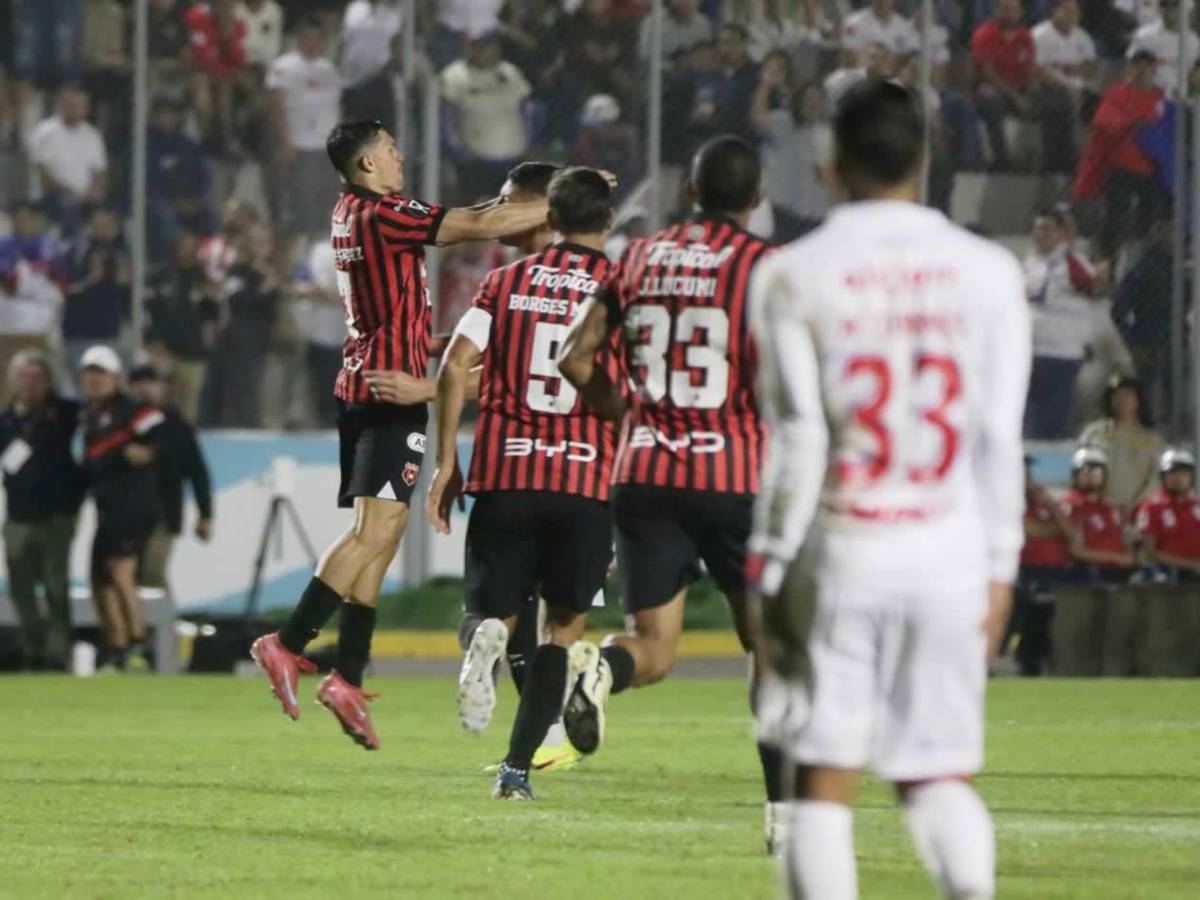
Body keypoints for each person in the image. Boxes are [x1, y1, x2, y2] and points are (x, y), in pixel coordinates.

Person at [744, 81, 1030, 898]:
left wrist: (765, 564)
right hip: (947, 552)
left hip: (842, 548)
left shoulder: (793, 273)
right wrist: (1002, 570)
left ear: (829, 165)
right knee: (938, 778)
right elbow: (994, 440)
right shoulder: (988, 271)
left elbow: (799, 440)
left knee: (824, 784)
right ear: (926, 158)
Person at [249, 119, 555, 751]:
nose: (399, 155)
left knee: (379, 542)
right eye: (388, 149)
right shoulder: (386, 213)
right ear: (365, 166)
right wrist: (566, 204)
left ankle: (348, 676)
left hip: (366, 380)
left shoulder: (348, 210)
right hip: (390, 393)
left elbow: (469, 218)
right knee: (374, 535)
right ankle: (286, 643)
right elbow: (471, 226)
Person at [558, 137, 781, 848]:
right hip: (733, 476)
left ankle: (599, 670)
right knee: (770, 650)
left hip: (644, 470)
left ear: (688, 187)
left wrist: (623, 415)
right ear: (756, 199)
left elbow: (576, 357)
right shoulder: (765, 269)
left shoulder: (638, 256)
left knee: (653, 649)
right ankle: (784, 815)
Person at [427, 167, 616, 800]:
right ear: (608, 223)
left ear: (548, 220)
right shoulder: (622, 288)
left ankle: (488, 633)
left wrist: (448, 461)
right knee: (563, 633)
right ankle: (516, 772)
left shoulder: (503, 282)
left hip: (506, 473)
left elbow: (456, 365)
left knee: (489, 610)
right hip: (585, 481)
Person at [79, 345, 165, 672]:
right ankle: (117, 645)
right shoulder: (90, 414)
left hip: (132, 504)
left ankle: (138, 643)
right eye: (90, 373)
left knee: (120, 571)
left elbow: (163, 435)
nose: (94, 379)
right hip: (108, 507)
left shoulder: (132, 410)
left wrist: (149, 452)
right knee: (100, 579)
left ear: (115, 377)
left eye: (100, 373)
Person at [0, 351, 84, 670]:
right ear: (14, 380)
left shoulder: (66, 414)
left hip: (56, 516)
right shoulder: (6, 421)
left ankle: (58, 654)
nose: (30, 384)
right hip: (17, 517)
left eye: (37, 377)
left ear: (48, 382)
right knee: (21, 590)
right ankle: (32, 649)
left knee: (56, 587)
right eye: (24, 377)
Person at [128, 365, 213, 591]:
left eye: (150, 381)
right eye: (137, 382)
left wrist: (205, 514)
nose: (144, 388)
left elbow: (197, 471)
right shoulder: (121, 421)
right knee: (125, 578)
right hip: (124, 515)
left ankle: (159, 624)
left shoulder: (176, 425)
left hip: (163, 512)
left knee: (152, 575)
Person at [1022, 207, 1105, 439]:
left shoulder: (1071, 262)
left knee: (1053, 417)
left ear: (1061, 234)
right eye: (1037, 229)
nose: (1040, 234)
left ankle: (1048, 469)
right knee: (1028, 414)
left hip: (1061, 352)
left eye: (1047, 229)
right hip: (1030, 350)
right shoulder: (1030, 262)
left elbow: (1092, 286)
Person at [266, 16, 343, 238]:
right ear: (299, 39)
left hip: (326, 146)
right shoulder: (284, 66)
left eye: (318, 39)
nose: (314, 43)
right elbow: (275, 105)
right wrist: (285, 141)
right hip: (299, 144)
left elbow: (334, 108)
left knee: (327, 200)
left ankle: (323, 246)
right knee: (301, 202)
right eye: (309, 38)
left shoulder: (328, 69)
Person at [144, 233, 221, 424]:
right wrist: (153, 344)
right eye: (182, 246)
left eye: (190, 246)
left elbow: (213, 316)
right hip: (164, 350)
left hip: (194, 351)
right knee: (159, 403)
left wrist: (210, 297)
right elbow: (149, 313)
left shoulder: (202, 278)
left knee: (189, 407)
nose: (185, 251)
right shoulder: (159, 275)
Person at [1015, 454, 1073, 676]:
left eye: (1028, 472)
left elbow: (1072, 534)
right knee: (1035, 608)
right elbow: (1034, 530)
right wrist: (1056, 530)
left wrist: (1051, 505)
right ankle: (1028, 663)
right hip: (1025, 571)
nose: (1027, 478)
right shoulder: (1007, 503)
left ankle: (1040, 662)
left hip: (1056, 572)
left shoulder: (1044, 505)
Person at [28, 86, 108, 236]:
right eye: (73, 106)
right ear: (63, 105)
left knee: (108, 211)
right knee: (69, 205)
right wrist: (72, 192)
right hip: (54, 194)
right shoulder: (45, 132)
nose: (78, 110)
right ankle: (69, 248)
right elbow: (44, 174)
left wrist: (94, 192)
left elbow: (99, 171)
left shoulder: (92, 134)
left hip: (86, 195)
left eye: (82, 106)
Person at [1078, 373, 1163, 511]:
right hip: (1096, 511)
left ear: (1138, 400)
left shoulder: (1151, 440)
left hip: (1138, 513)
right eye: (1117, 395)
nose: (1122, 400)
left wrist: (1135, 506)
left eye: (1128, 395)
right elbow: (1080, 472)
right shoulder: (1092, 434)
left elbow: (1156, 479)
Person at [1060, 446, 1136, 579]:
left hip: (1120, 570)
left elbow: (1124, 538)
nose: (1090, 476)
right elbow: (1076, 550)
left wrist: (1129, 555)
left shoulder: (1112, 507)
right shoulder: (1070, 505)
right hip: (1088, 572)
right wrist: (1114, 558)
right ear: (1076, 476)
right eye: (1084, 472)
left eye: (1096, 472)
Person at [1135, 448, 1200, 578]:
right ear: (1163, 477)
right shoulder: (1151, 507)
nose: (1179, 478)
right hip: (1168, 575)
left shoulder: (1197, 505)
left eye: (1184, 473)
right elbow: (1149, 552)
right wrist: (1191, 565)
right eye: (1172, 473)